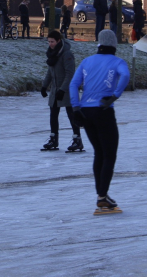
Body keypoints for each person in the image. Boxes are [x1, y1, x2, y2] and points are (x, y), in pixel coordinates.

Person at [69, 30, 130, 212]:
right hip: (103, 110)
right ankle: (102, 197)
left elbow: (73, 84)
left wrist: (76, 108)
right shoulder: (117, 62)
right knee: (109, 154)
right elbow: (125, 76)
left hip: (85, 112)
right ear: (114, 45)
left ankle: (101, 195)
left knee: (98, 153)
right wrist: (114, 96)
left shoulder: (87, 61)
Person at [41, 30, 82, 152]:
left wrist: (63, 90)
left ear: (59, 41)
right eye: (49, 42)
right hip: (55, 90)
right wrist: (44, 86)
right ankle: (53, 139)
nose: (50, 44)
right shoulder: (52, 54)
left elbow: (70, 74)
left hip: (67, 90)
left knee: (71, 114)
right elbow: (50, 72)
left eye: (52, 41)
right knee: (53, 115)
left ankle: (77, 140)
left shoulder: (66, 54)